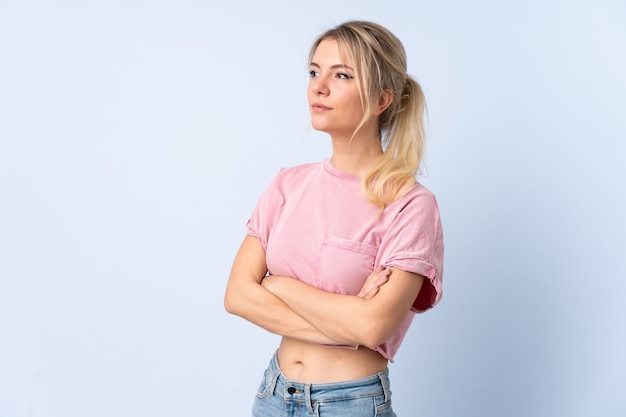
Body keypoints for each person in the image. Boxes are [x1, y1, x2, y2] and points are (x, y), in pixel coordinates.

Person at [224, 20, 444, 417]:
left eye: (341, 74)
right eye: (314, 71)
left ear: (382, 100)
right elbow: (237, 296)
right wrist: (347, 319)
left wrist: (281, 286)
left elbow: (374, 328)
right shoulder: (287, 184)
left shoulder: (411, 205)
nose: (318, 86)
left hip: (352, 402)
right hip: (274, 395)